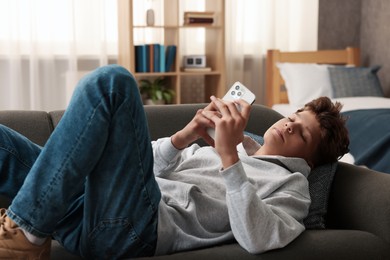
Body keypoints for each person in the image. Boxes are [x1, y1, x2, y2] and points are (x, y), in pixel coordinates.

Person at [0, 65, 349, 259]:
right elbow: (144, 171)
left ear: (309, 159)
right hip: (90, 212)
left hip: (134, 231)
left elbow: (259, 238)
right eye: (294, 116)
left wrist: (229, 158)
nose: (288, 124)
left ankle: (26, 233)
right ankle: (33, 226)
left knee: (112, 84)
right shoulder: (227, 146)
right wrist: (187, 135)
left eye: (302, 134)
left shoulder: (294, 187)